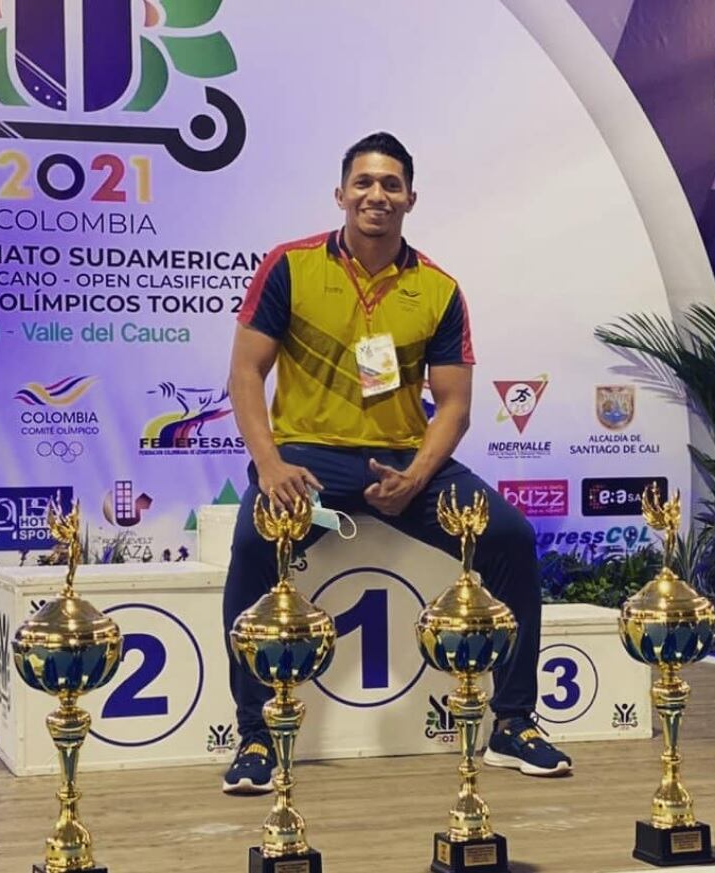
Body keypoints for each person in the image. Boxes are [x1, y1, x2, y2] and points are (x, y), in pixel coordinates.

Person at [221, 131, 571, 794]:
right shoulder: (289, 266)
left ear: (410, 198)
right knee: (250, 550)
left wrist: (415, 475)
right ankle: (254, 735)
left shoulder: (437, 287)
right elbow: (245, 374)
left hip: (401, 463)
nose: (375, 195)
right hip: (307, 458)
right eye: (363, 182)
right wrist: (268, 466)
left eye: (389, 185)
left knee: (510, 539)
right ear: (340, 193)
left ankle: (513, 722)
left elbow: (455, 405)